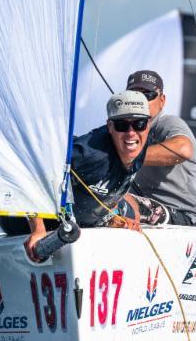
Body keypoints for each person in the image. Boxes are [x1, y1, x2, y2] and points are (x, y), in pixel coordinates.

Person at [24, 91, 151, 262]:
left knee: (133, 216)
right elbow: (32, 168)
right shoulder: (90, 154)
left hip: (87, 216)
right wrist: (38, 229)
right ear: (110, 126)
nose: (131, 133)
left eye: (139, 124)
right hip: (34, 215)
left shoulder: (140, 145)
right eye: (122, 125)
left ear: (148, 125)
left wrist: (109, 217)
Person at [126, 70, 196, 227]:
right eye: (134, 96)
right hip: (153, 218)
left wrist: (129, 156)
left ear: (162, 101)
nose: (140, 102)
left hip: (192, 219)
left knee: (124, 203)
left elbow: (183, 149)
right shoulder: (125, 130)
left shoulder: (168, 123)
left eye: (147, 95)